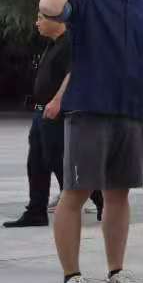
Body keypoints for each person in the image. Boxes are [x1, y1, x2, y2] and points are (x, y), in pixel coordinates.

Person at [36, 0, 143, 283]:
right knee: (75, 192)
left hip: (133, 111)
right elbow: (49, 7)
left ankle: (116, 271)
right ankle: (71, 276)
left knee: (119, 194)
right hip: (89, 109)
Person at [4, 16, 93, 228]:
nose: (37, 23)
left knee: (57, 160)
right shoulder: (52, 44)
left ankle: (94, 197)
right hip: (42, 111)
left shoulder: (70, 41)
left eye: (40, 18)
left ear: (57, 19)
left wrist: (58, 100)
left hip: (58, 111)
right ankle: (36, 211)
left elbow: (75, 72)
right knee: (36, 161)